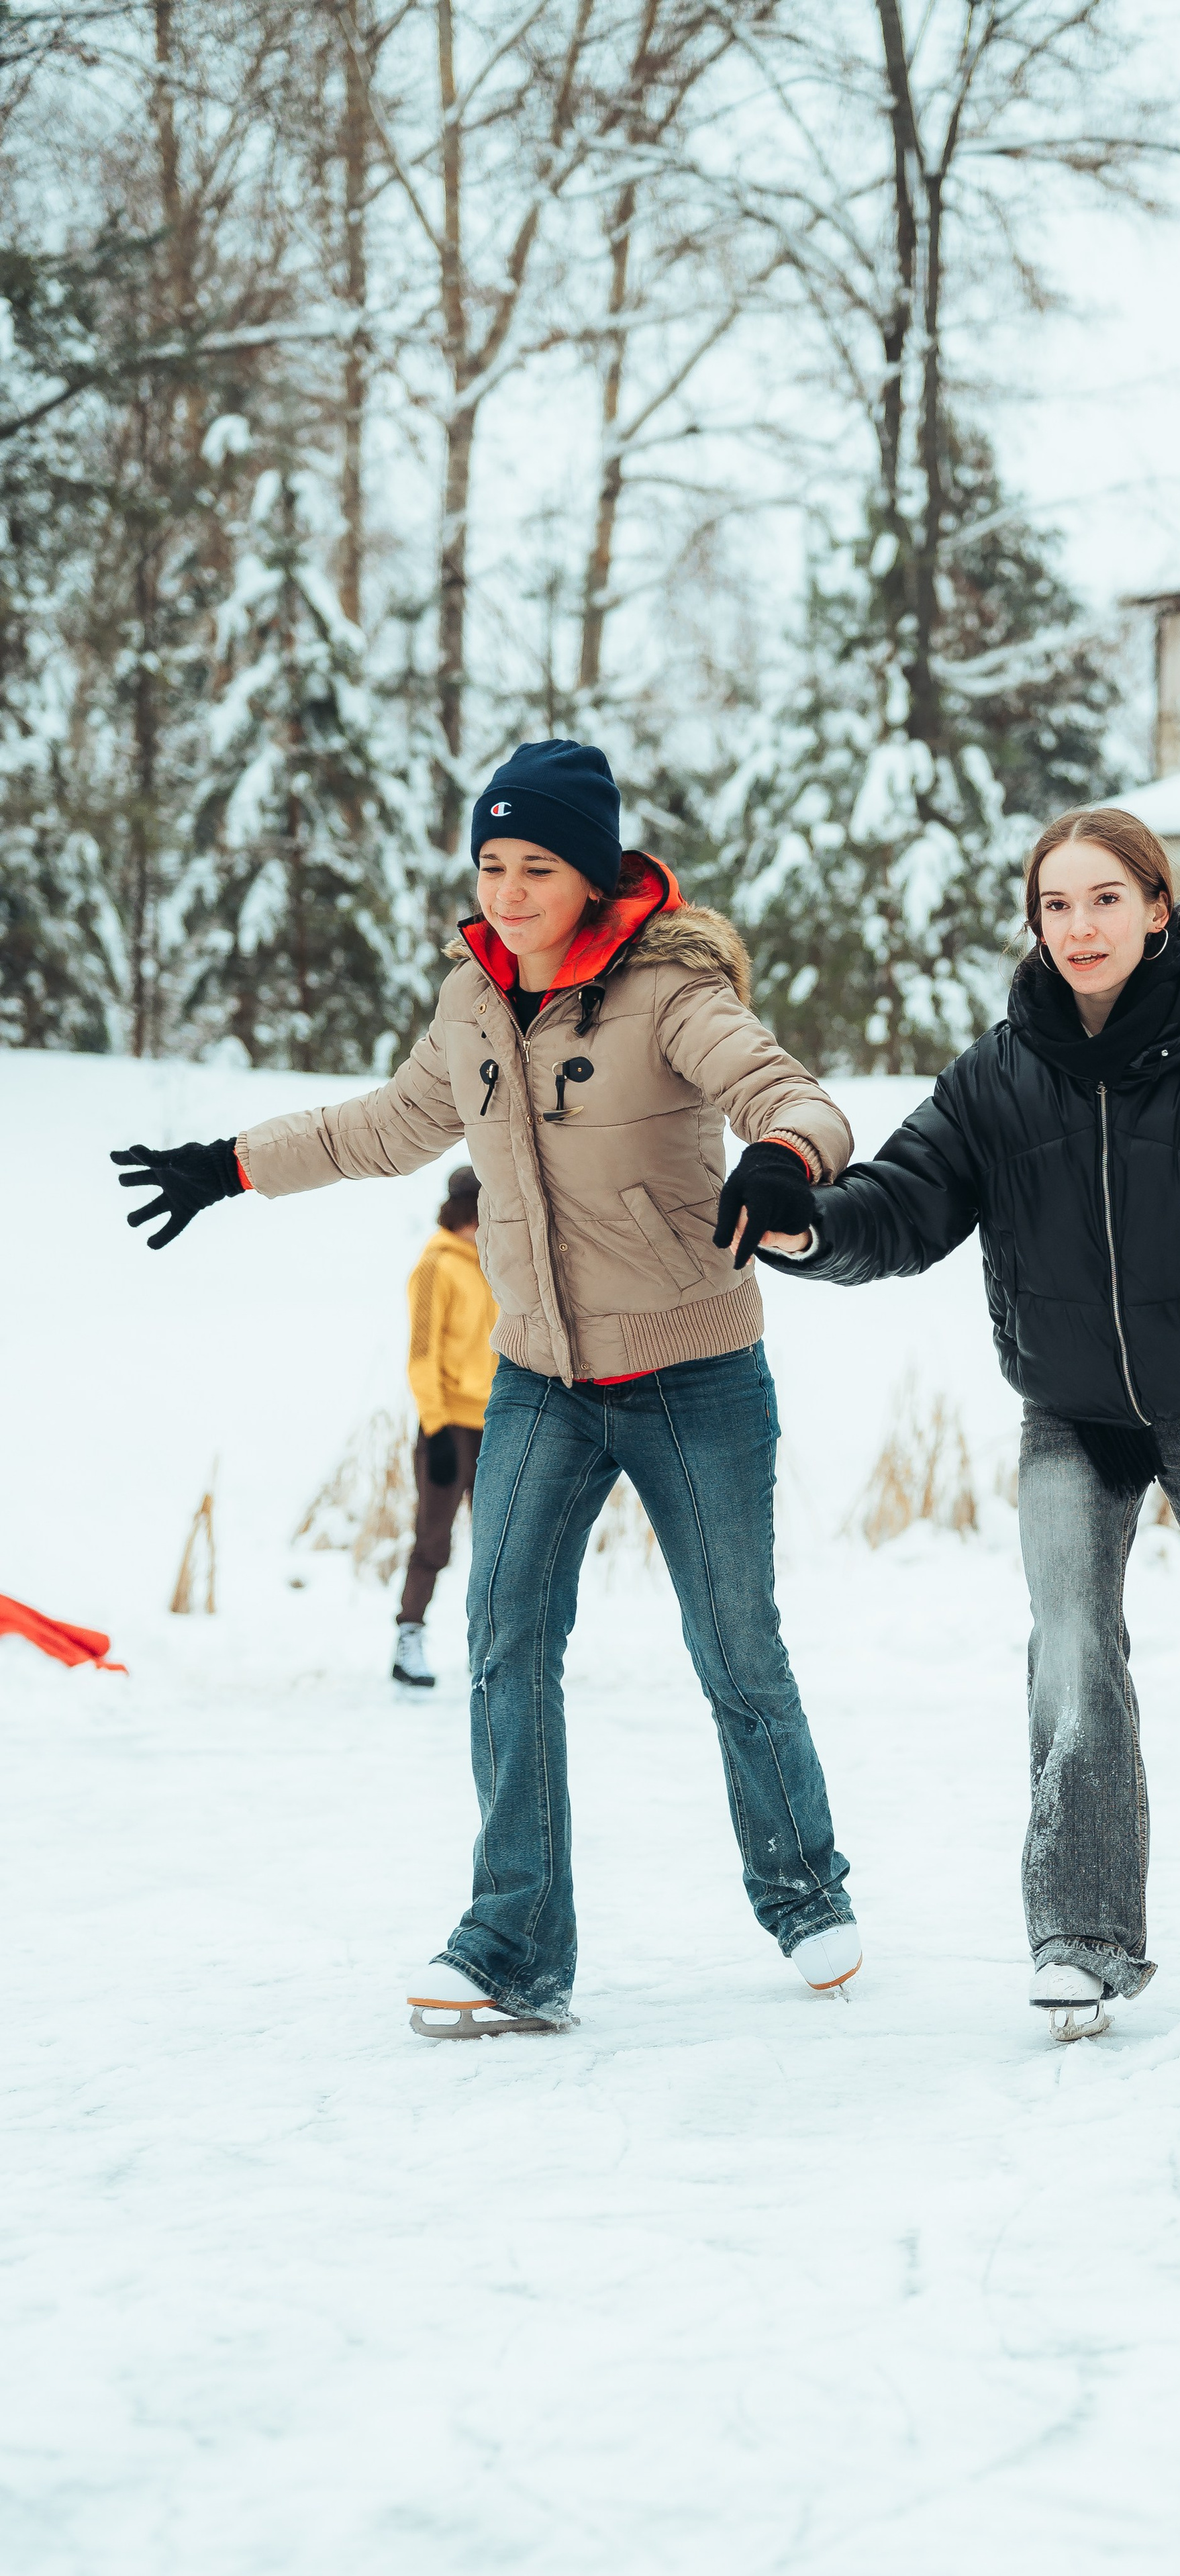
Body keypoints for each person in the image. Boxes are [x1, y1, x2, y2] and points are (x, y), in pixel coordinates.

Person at [111, 737, 862, 2040]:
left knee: (735, 1647)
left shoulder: (668, 989)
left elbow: (783, 1090)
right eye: (490, 863)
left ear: (590, 873)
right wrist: (228, 1165)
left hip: (692, 1371)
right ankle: (514, 1941)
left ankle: (803, 1891)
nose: (506, 890)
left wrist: (786, 1157)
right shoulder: (471, 1002)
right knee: (504, 1641)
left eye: (536, 866)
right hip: (540, 1379)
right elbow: (381, 1126)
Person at [751, 806, 1180, 2041]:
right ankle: (1083, 1939)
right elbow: (902, 1202)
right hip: (1071, 1413)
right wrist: (807, 1230)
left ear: (1158, 909)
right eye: (1057, 905)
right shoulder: (1000, 1075)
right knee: (1070, 1664)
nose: (1080, 926)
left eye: (1105, 899)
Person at [393, 1164, 497, 1695]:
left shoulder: (496, 1264)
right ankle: (408, 1639)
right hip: (449, 1425)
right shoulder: (436, 1265)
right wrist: (434, 1427)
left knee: (500, 1545)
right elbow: (422, 1352)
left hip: (498, 1423)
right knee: (433, 1540)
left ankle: (496, 1648)